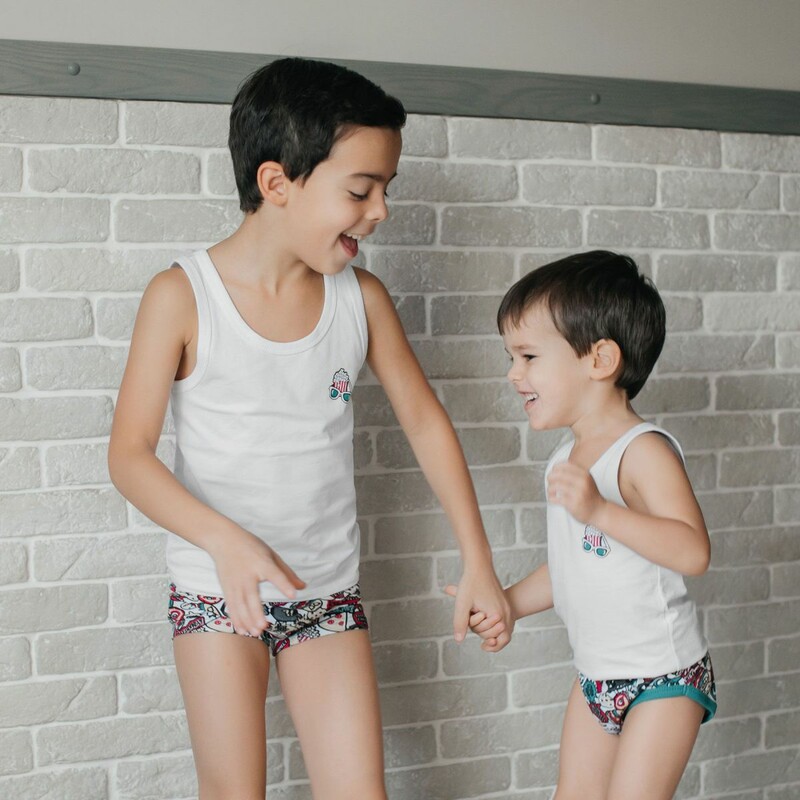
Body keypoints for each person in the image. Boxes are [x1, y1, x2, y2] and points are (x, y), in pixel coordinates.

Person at [108, 57, 511, 800]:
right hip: (216, 595)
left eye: (387, 188)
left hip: (327, 593)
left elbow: (426, 423)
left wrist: (478, 558)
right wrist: (225, 540)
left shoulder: (361, 300)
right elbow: (129, 457)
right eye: (360, 190)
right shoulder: (182, 297)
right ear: (276, 183)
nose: (380, 210)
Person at [446, 251, 716, 800]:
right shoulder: (564, 461)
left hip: (662, 677)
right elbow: (574, 565)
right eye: (511, 357)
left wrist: (601, 511)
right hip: (595, 677)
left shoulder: (642, 451)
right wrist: (509, 604)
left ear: (600, 359)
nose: (513, 373)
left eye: (528, 356)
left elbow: (693, 552)